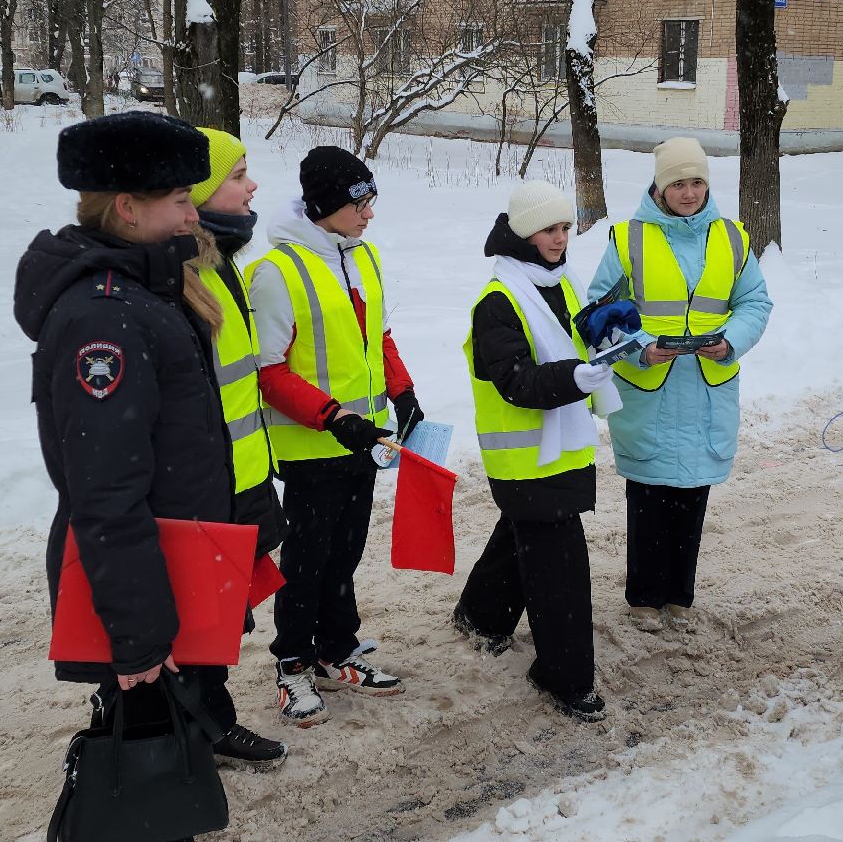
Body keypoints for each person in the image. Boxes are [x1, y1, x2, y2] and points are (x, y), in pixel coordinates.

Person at [12, 110, 286, 788]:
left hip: (176, 564)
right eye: (178, 200)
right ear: (128, 208)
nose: (194, 214)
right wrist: (138, 636)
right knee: (147, 772)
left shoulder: (144, 291)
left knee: (173, 753)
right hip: (146, 585)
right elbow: (105, 494)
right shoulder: (107, 316)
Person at [247, 146, 423, 727]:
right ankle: (292, 664)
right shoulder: (277, 271)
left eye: (371, 200)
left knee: (345, 553)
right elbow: (269, 371)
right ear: (325, 204)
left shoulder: (362, 256)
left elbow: (380, 336)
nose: (370, 213)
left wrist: (403, 392)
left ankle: (337, 648)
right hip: (311, 445)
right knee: (307, 560)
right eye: (360, 202)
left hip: (363, 440)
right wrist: (332, 417)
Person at [581, 136, 772, 632]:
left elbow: (755, 302)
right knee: (648, 491)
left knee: (692, 493)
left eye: (697, 182)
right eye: (678, 184)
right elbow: (601, 309)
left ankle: (679, 595)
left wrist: (730, 340)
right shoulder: (628, 237)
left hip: (708, 385)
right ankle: (644, 593)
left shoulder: (732, 237)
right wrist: (641, 345)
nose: (688, 193)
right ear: (660, 187)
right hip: (651, 387)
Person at [452, 181, 620, 722]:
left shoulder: (554, 282)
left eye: (566, 227)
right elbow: (515, 380)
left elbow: (571, 336)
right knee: (560, 570)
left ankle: (482, 615)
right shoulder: (498, 301)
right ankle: (565, 677)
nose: (560, 237)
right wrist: (577, 376)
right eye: (549, 228)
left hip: (557, 449)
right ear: (523, 232)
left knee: (522, 534)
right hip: (526, 458)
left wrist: (607, 331)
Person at [188, 129, 284, 558]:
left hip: (244, 479)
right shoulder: (184, 278)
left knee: (231, 617)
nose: (253, 186)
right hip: (209, 496)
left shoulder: (221, 266)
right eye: (239, 176)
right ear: (199, 194)